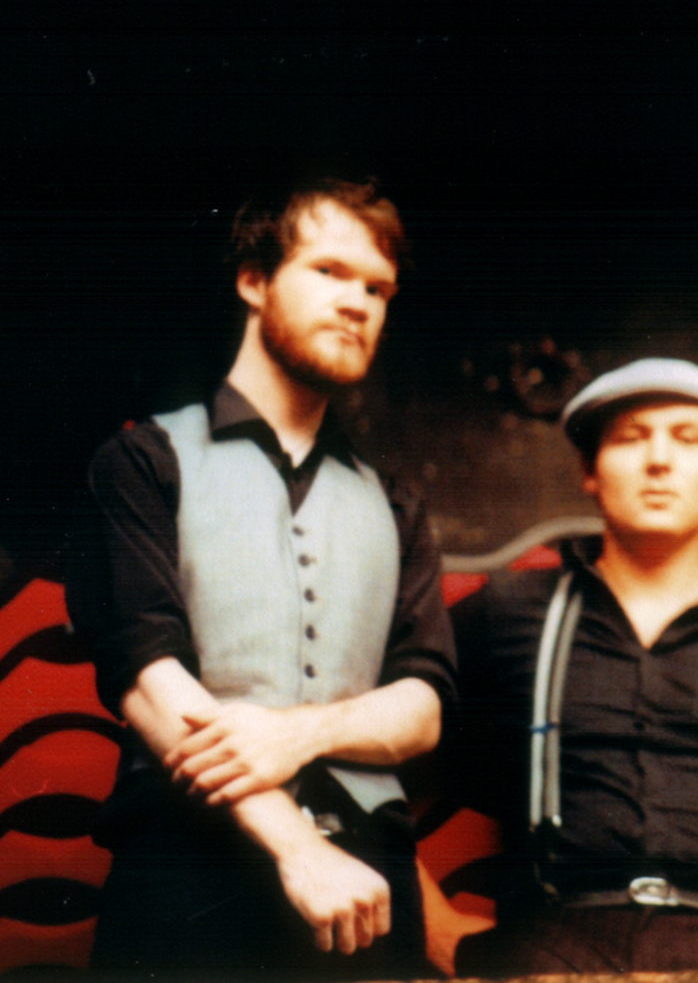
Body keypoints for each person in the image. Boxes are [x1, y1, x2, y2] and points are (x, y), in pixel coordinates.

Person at [65, 177, 456, 977]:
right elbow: (147, 679)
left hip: (369, 887)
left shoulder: (394, 504)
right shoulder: (142, 460)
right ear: (253, 279)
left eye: (377, 288)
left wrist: (299, 732)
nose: (357, 303)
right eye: (329, 271)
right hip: (189, 873)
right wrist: (298, 847)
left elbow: (422, 707)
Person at [446, 357, 698, 975]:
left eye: (686, 438)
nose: (659, 460)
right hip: (544, 949)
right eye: (631, 438)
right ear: (589, 471)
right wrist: (438, 932)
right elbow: (374, 778)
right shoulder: (503, 615)